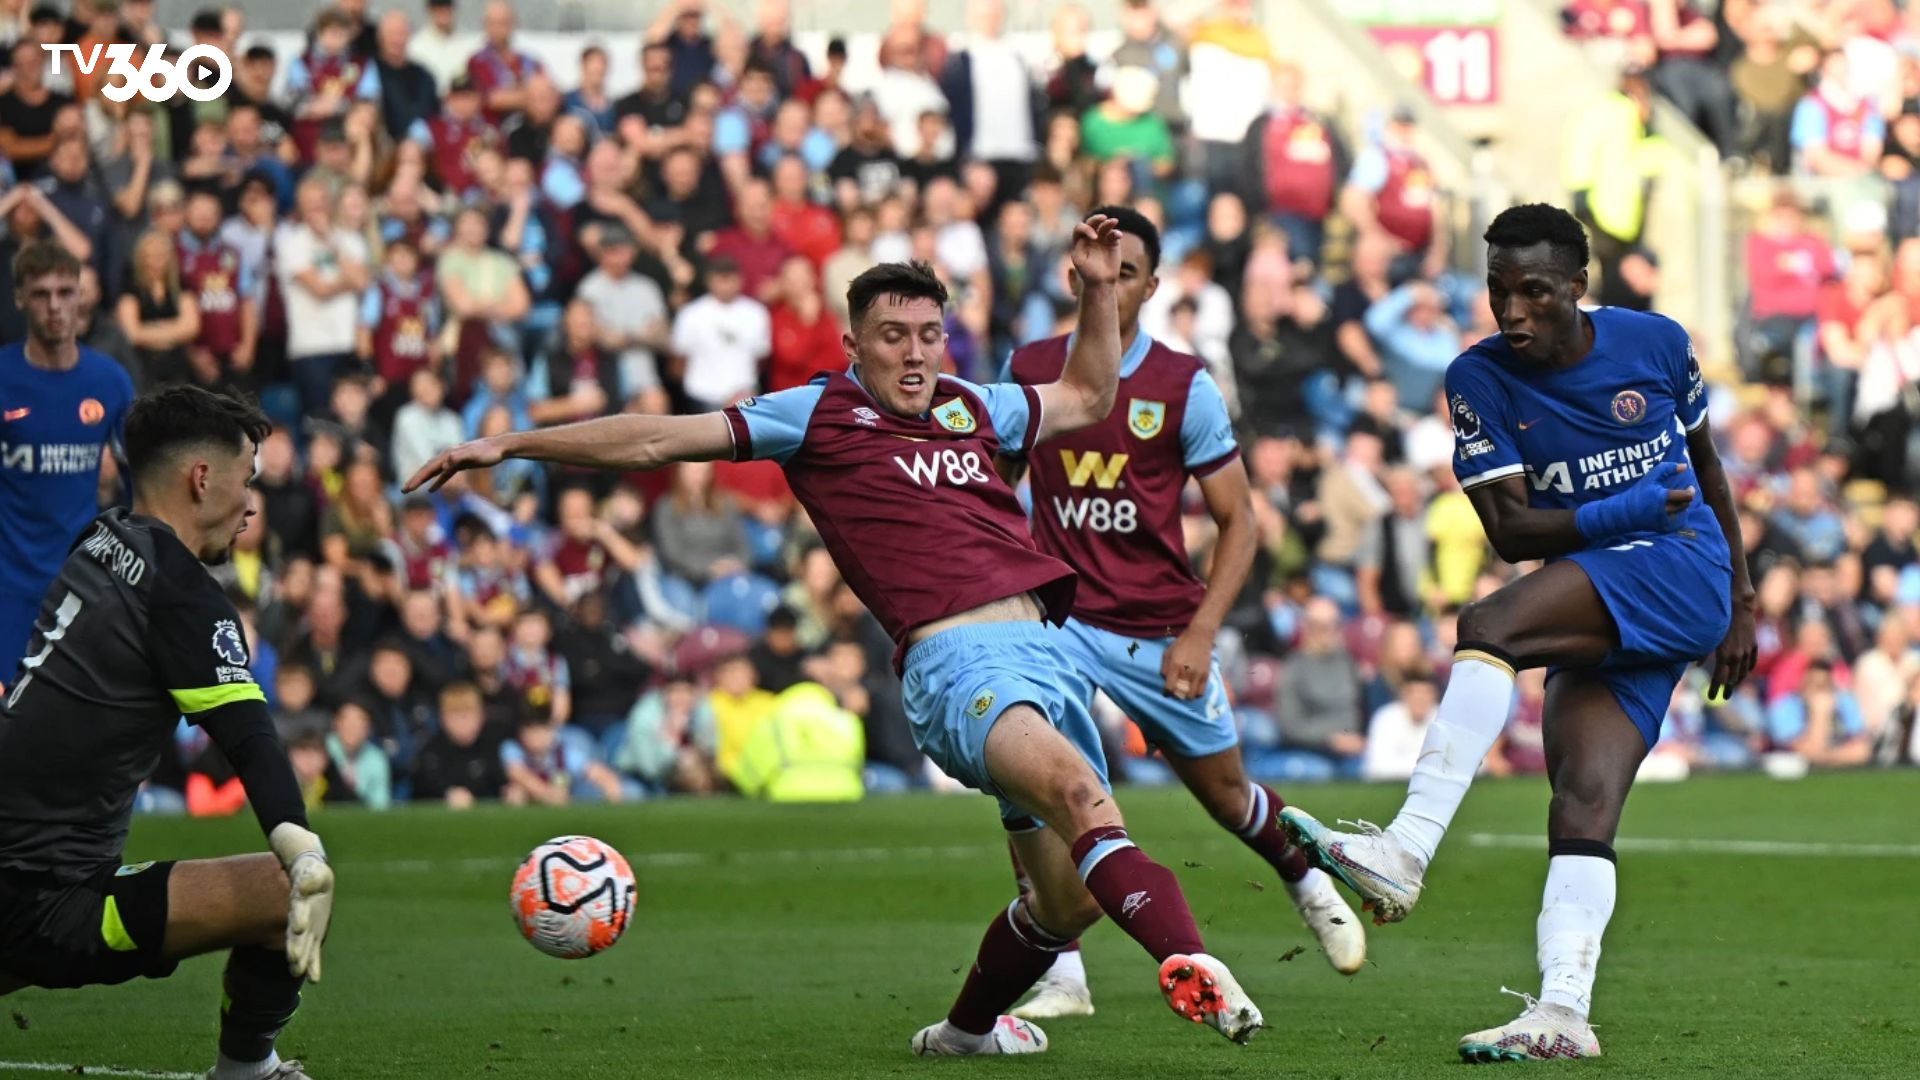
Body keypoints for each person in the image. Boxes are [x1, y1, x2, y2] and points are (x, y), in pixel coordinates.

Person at [407, 220, 1267, 1055]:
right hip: (959, 662)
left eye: (928, 335)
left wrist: (1097, 290)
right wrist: (511, 443)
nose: (915, 354)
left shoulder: (973, 405)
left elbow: (1088, 396)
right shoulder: (817, 412)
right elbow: (659, 437)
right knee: (1085, 800)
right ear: (854, 344)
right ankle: (1190, 961)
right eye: (893, 336)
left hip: (1049, 654)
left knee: (1068, 903)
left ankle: (963, 1034)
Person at [1282, 204, 1755, 1062]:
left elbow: (1709, 467)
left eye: (1534, 291)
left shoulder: (1655, 343)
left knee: (1489, 624)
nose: (1513, 311)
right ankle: (1564, 1012)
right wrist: (1630, 506)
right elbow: (1508, 531)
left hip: (1682, 565)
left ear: (1577, 285)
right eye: (1499, 291)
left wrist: (1744, 601)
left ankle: (1407, 847)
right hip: (1603, 579)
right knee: (1581, 800)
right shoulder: (1478, 378)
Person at [996, 207, 1363, 1021]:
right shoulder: (1030, 369)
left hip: (1159, 626)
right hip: (1056, 621)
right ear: (1075, 276)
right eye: (1099, 271)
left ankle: (1305, 878)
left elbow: (1240, 521)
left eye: (1128, 273)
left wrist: (1200, 631)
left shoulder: (1181, 384)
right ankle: (1063, 973)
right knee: (1040, 784)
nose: (1110, 285)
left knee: (1228, 797)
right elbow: (992, 488)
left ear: (1152, 287)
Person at [0, 385, 332, 1080]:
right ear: (202, 479)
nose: (251, 505)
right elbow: (249, 737)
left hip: (19, 869)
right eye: (247, 480)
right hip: (52, 900)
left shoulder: (102, 536)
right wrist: (302, 849)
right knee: (282, 893)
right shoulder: (178, 593)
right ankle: (248, 1071)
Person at [0, 241, 134, 670]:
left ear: (82, 295)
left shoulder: (110, 381)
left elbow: (141, 484)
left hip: (82, 588)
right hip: (8, 590)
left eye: (65, 292)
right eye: (41, 294)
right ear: (20, 299)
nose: (54, 306)